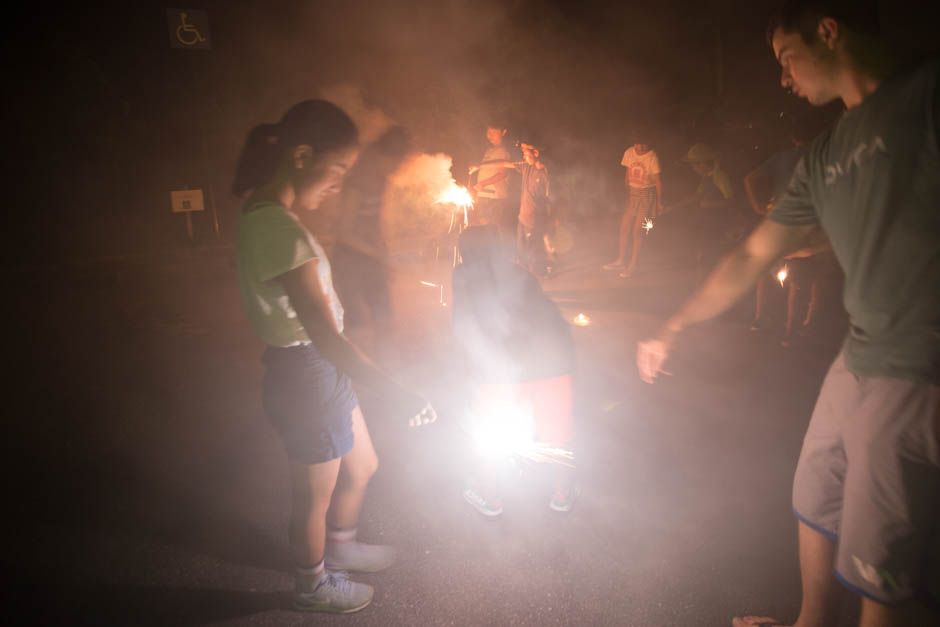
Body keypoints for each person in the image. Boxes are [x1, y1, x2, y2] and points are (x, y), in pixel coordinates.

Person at [637, 3, 939, 626]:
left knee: (876, 554)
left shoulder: (926, 96)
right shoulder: (825, 153)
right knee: (816, 490)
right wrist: (673, 325)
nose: (782, 78)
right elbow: (753, 252)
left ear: (829, 30)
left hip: (916, 366)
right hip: (857, 355)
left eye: (786, 57)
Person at [233, 101, 436, 614]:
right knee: (312, 499)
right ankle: (312, 584)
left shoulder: (271, 216)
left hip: (319, 371)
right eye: (338, 171)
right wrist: (396, 388)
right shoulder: (278, 228)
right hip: (307, 374)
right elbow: (324, 338)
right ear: (303, 156)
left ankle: (340, 546)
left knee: (363, 464)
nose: (339, 185)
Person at [451, 225, 578, 518]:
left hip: (505, 366)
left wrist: (475, 373)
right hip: (554, 359)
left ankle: (489, 496)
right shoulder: (519, 271)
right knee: (556, 432)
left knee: (487, 431)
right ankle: (562, 493)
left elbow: (464, 328)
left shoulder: (463, 274)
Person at [332, 126, 413, 336]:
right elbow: (344, 233)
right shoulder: (357, 183)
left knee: (384, 318)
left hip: (371, 258)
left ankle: (383, 366)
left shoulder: (381, 178)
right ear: (384, 155)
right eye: (396, 162)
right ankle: (352, 367)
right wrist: (378, 255)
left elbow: (374, 221)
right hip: (348, 261)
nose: (397, 168)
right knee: (355, 323)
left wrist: (382, 249)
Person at [469, 141, 553, 277]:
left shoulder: (545, 175)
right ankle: (528, 278)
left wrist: (551, 220)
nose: (524, 156)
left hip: (535, 221)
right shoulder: (526, 167)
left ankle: (538, 276)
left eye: (526, 153)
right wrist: (479, 166)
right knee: (522, 253)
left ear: (536, 153)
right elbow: (503, 163)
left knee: (533, 254)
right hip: (523, 219)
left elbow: (551, 200)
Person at [669, 143, 736, 276]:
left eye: (694, 165)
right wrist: (673, 206)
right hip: (705, 224)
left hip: (717, 226)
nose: (693, 168)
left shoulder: (719, 177)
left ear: (703, 163)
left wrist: (711, 204)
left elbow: (732, 201)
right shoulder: (706, 177)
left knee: (711, 259)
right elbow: (697, 196)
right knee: (702, 257)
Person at [603, 136, 665, 279]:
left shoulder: (652, 157)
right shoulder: (629, 152)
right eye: (638, 144)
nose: (641, 147)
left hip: (646, 193)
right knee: (624, 228)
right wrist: (627, 192)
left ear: (649, 142)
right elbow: (627, 173)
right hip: (633, 192)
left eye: (644, 143)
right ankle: (621, 260)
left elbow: (658, 182)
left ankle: (633, 265)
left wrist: (659, 202)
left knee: (638, 230)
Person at [471, 125, 513, 239]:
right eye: (488, 132)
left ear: (503, 132)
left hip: (494, 199)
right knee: (482, 228)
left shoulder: (502, 150)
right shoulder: (490, 150)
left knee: (491, 229)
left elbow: (502, 174)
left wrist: (483, 184)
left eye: (494, 132)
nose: (490, 136)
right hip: (484, 196)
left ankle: (494, 253)